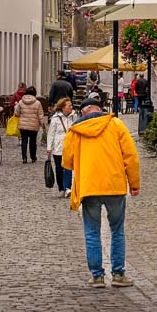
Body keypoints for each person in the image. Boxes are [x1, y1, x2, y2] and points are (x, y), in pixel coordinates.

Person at [61, 92, 141, 288]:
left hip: (89, 187)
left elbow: (67, 162)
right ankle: (118, 274)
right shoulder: (116, 125)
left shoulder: (76, 130)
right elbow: (130, 156)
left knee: (92, 232)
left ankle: (97, 276)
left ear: (84, 112)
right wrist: (134, 183)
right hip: (114, 186)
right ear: (100, 110)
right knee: (117, 231)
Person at [47, 97, 77, 197]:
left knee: (68, 167)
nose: (71, 107)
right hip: (58, 146)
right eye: (69, 106)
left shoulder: (74, 117)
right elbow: (51, 133)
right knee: (59, 169)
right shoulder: (55, 119)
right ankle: (61, 188)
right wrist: (49, 147)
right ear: (63, 107)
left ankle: (67, 188)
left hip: (70, 146)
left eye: (71, 105)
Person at [14, 85, 45, 162]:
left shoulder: (21, 102)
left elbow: (16, 113)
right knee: (33, 141)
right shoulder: (38, 103)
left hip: (23, 125)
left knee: (24, 141)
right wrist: (42, 124)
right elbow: (40, 115)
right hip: (34, 125)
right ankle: (33, 157)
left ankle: (24, 157)